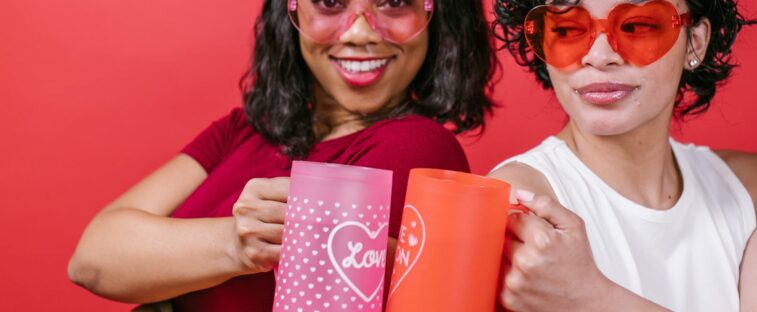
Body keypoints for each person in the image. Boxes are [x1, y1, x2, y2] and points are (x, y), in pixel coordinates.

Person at [67, 0, 497, 310]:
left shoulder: (417, 148)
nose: (360, 31)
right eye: (330, 2)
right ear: (290, 12)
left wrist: (167, 289)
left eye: (394, 3)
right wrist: (238, 247)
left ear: (438, 14)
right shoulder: (245, 129)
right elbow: (93, 258)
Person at [490, 0, 757, 310]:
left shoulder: (756, 190)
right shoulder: (520, 202)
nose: (598, 55)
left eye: (637, 26)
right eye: (567, 29)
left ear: (695, 42)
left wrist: (594, 297)